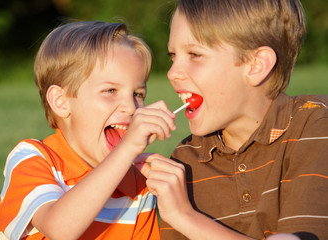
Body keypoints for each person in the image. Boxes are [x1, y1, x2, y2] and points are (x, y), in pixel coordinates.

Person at [135, 0, 328, 239]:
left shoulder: (316, 124)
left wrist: (185, 217)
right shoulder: (186, 159)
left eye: (195, 54)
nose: (173, 73)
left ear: (255, 66)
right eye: (173, 56)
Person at [0, 21, 176, 240]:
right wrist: (125, 150)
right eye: (110, 90)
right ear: (61, 102)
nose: (131, 106)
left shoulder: (137, 186)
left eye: (137, 94)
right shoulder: (33, 159)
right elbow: (59, 229)